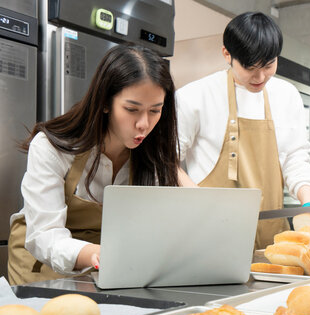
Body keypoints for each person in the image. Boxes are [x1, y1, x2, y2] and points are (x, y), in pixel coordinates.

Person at [8, 44, 181, 285]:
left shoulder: (152, 157)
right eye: (132, 109)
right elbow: (44, 236)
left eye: (155, 110)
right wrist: (98, 255)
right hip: (40, 270)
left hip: (107, 271)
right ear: (105, 103)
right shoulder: (51, 146)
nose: (144, 124)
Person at [176, 12, 310, 249]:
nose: (260, 77)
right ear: (227, 54)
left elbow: (295, 157)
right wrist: (198, 199)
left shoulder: (286, 95)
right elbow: (167, 158)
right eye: (250, 67)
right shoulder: (195, 95)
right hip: (210, 233)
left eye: (269, 65)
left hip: (272, 240)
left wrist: (308, 204)